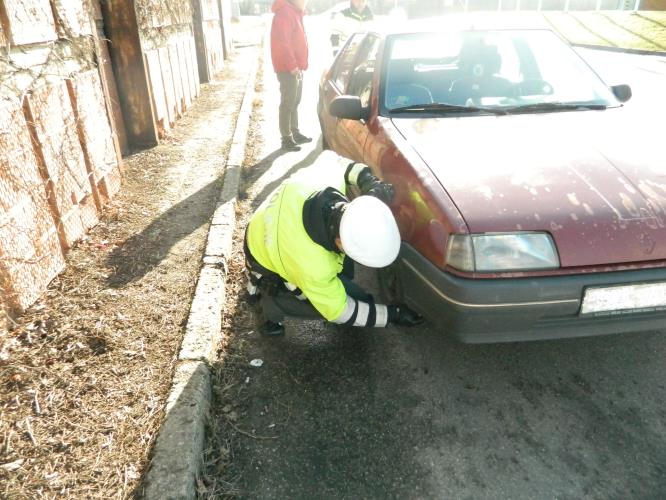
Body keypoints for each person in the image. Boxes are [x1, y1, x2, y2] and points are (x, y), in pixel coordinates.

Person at [244, 150, 423, 336]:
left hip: (269, 223)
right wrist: (392, 315)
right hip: (262, 254)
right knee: (318, 304)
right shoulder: (312, 267)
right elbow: (340, 311)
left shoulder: (323, 181)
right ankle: (270, 307)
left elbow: (337, 161)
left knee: (356, 294)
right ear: (339, 241)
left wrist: (367, 180)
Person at [271, 0, 312, 152]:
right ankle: (286, 138)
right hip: (288, 68)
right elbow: (283, 43)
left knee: (295, 101)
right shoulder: (285, 13)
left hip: (296, 67)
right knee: (287, 103)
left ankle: (294, 132)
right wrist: (293, 66)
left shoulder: (295, 13)